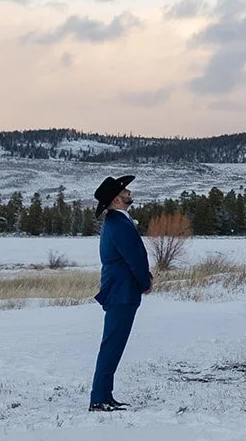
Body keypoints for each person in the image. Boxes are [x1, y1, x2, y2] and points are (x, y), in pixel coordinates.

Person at [88, 174, 152, 412]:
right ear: (116, 199)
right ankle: (99, 399)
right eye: (125, 191)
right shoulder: (118, 223)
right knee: (112, 345)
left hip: (121, 291)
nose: (128, 193)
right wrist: (145, 282)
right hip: (121, 292)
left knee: (113, 345)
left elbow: (133, 257)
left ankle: (104, 395)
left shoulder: (119, 221)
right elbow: (134, 257)